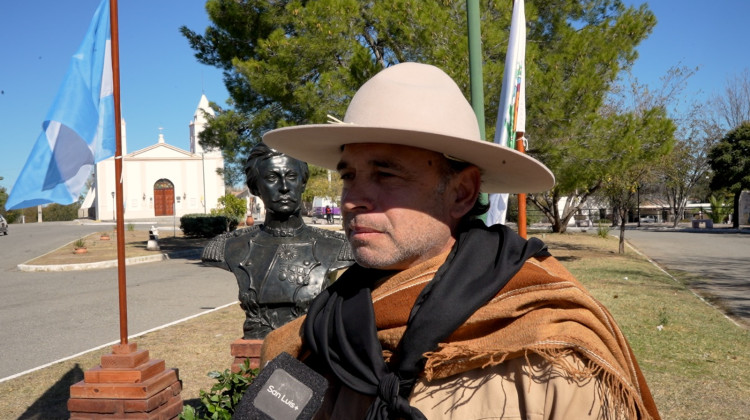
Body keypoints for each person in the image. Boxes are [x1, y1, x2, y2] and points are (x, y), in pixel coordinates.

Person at [260, 63, 660, 420]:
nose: (351, 200)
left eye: (385, 174)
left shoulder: (551, 351)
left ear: (461, 193)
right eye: (349, 176)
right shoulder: (322, 330)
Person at [202, 142, 354, 339]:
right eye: (272, 178)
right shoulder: (226, 247)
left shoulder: (338, 247)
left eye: (291, 176)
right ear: (255, 187)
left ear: (303, 183)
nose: (284, 187)